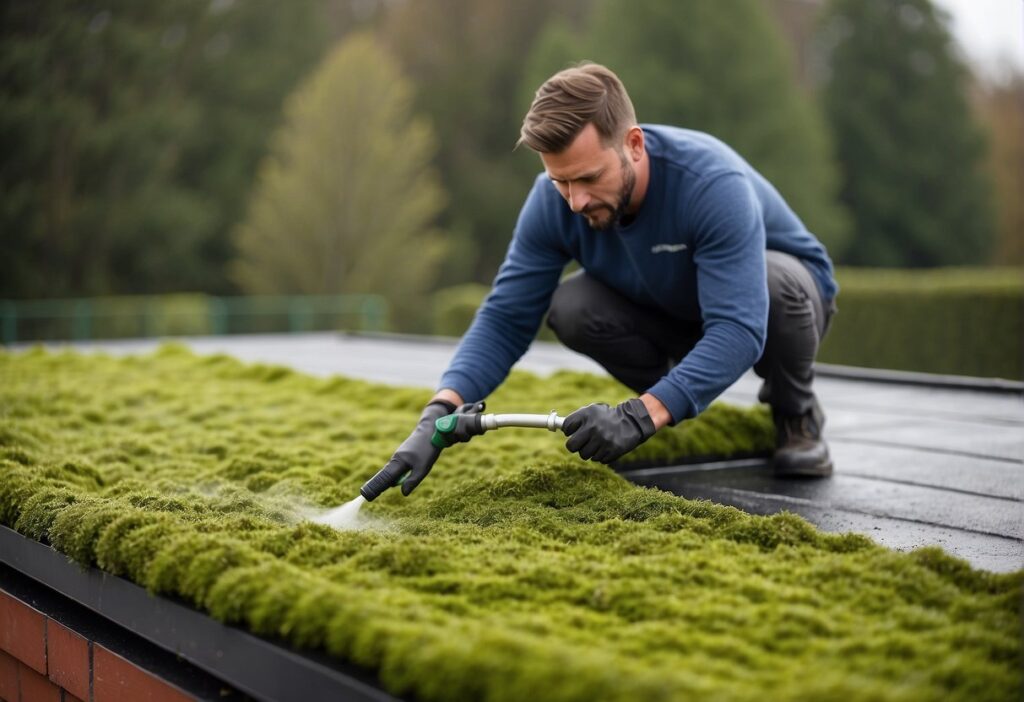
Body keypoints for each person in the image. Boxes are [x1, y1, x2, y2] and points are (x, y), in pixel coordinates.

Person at [381, 62, 838, 498]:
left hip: (781, 305)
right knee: (572, 307)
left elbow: (740, 328)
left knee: (777, 286)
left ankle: (795, 412)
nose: (575, 201)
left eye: (588, 178)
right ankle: (675, 396)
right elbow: (506, 317)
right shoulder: (552, 202)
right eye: (560, 182)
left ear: (634, 145)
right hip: (675, 311)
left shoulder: (711, 183)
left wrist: (636, 418)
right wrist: (436, 414)